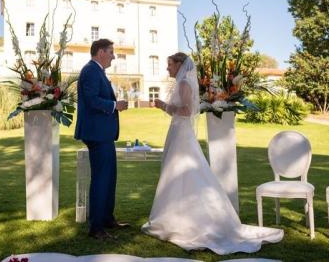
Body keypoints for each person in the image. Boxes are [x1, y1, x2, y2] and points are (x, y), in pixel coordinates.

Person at [141, 52, 283, 254]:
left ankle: (183, 220)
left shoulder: (183, 85)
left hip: (181, 135)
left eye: (170, 64)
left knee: (182, 172)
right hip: (178, 132)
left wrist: (163, 105)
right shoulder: (182, 83)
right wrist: (165, 107)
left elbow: (187, 111)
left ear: (180, 65)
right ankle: (175, 215)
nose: (167, 68)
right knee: (176, 174)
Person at [74, 39, 129, 240]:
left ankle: (106, 219)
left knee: (109, 177)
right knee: (101, 179)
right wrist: (115, 105)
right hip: (97, 134)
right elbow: (92, 100)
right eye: (111, 52)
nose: (114, 56)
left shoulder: (97, 71)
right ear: (100, 52)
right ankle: (96, 228)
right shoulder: (90, 71)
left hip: (103, 134)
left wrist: (114, 105)